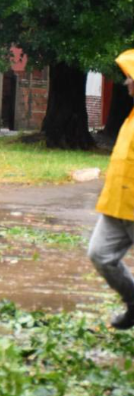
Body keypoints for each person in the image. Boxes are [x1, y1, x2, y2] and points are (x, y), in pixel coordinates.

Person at [88, 49, 134, 330]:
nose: (127, 83)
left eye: (130, 78)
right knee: (100, 255)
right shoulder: (130, 115)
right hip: (117, 205)